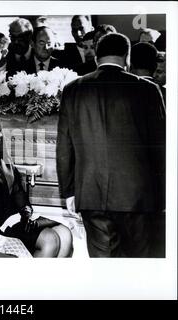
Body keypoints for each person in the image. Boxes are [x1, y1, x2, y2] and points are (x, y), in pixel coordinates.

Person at [56, 33, 166, 257]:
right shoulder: (148, 90)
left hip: (91, 194)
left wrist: (69, 192)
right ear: (127, 58)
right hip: (139, 196)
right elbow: (161, 148)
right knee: (140, 268)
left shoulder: (73, 89)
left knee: (104, 270)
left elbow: (64, 148)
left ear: (96, 56)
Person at [0, 106, 73, 257]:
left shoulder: (0, 156)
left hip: (18, 217)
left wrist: (26, 212)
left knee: (64, 233)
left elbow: (17, 189)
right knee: (50, 240)